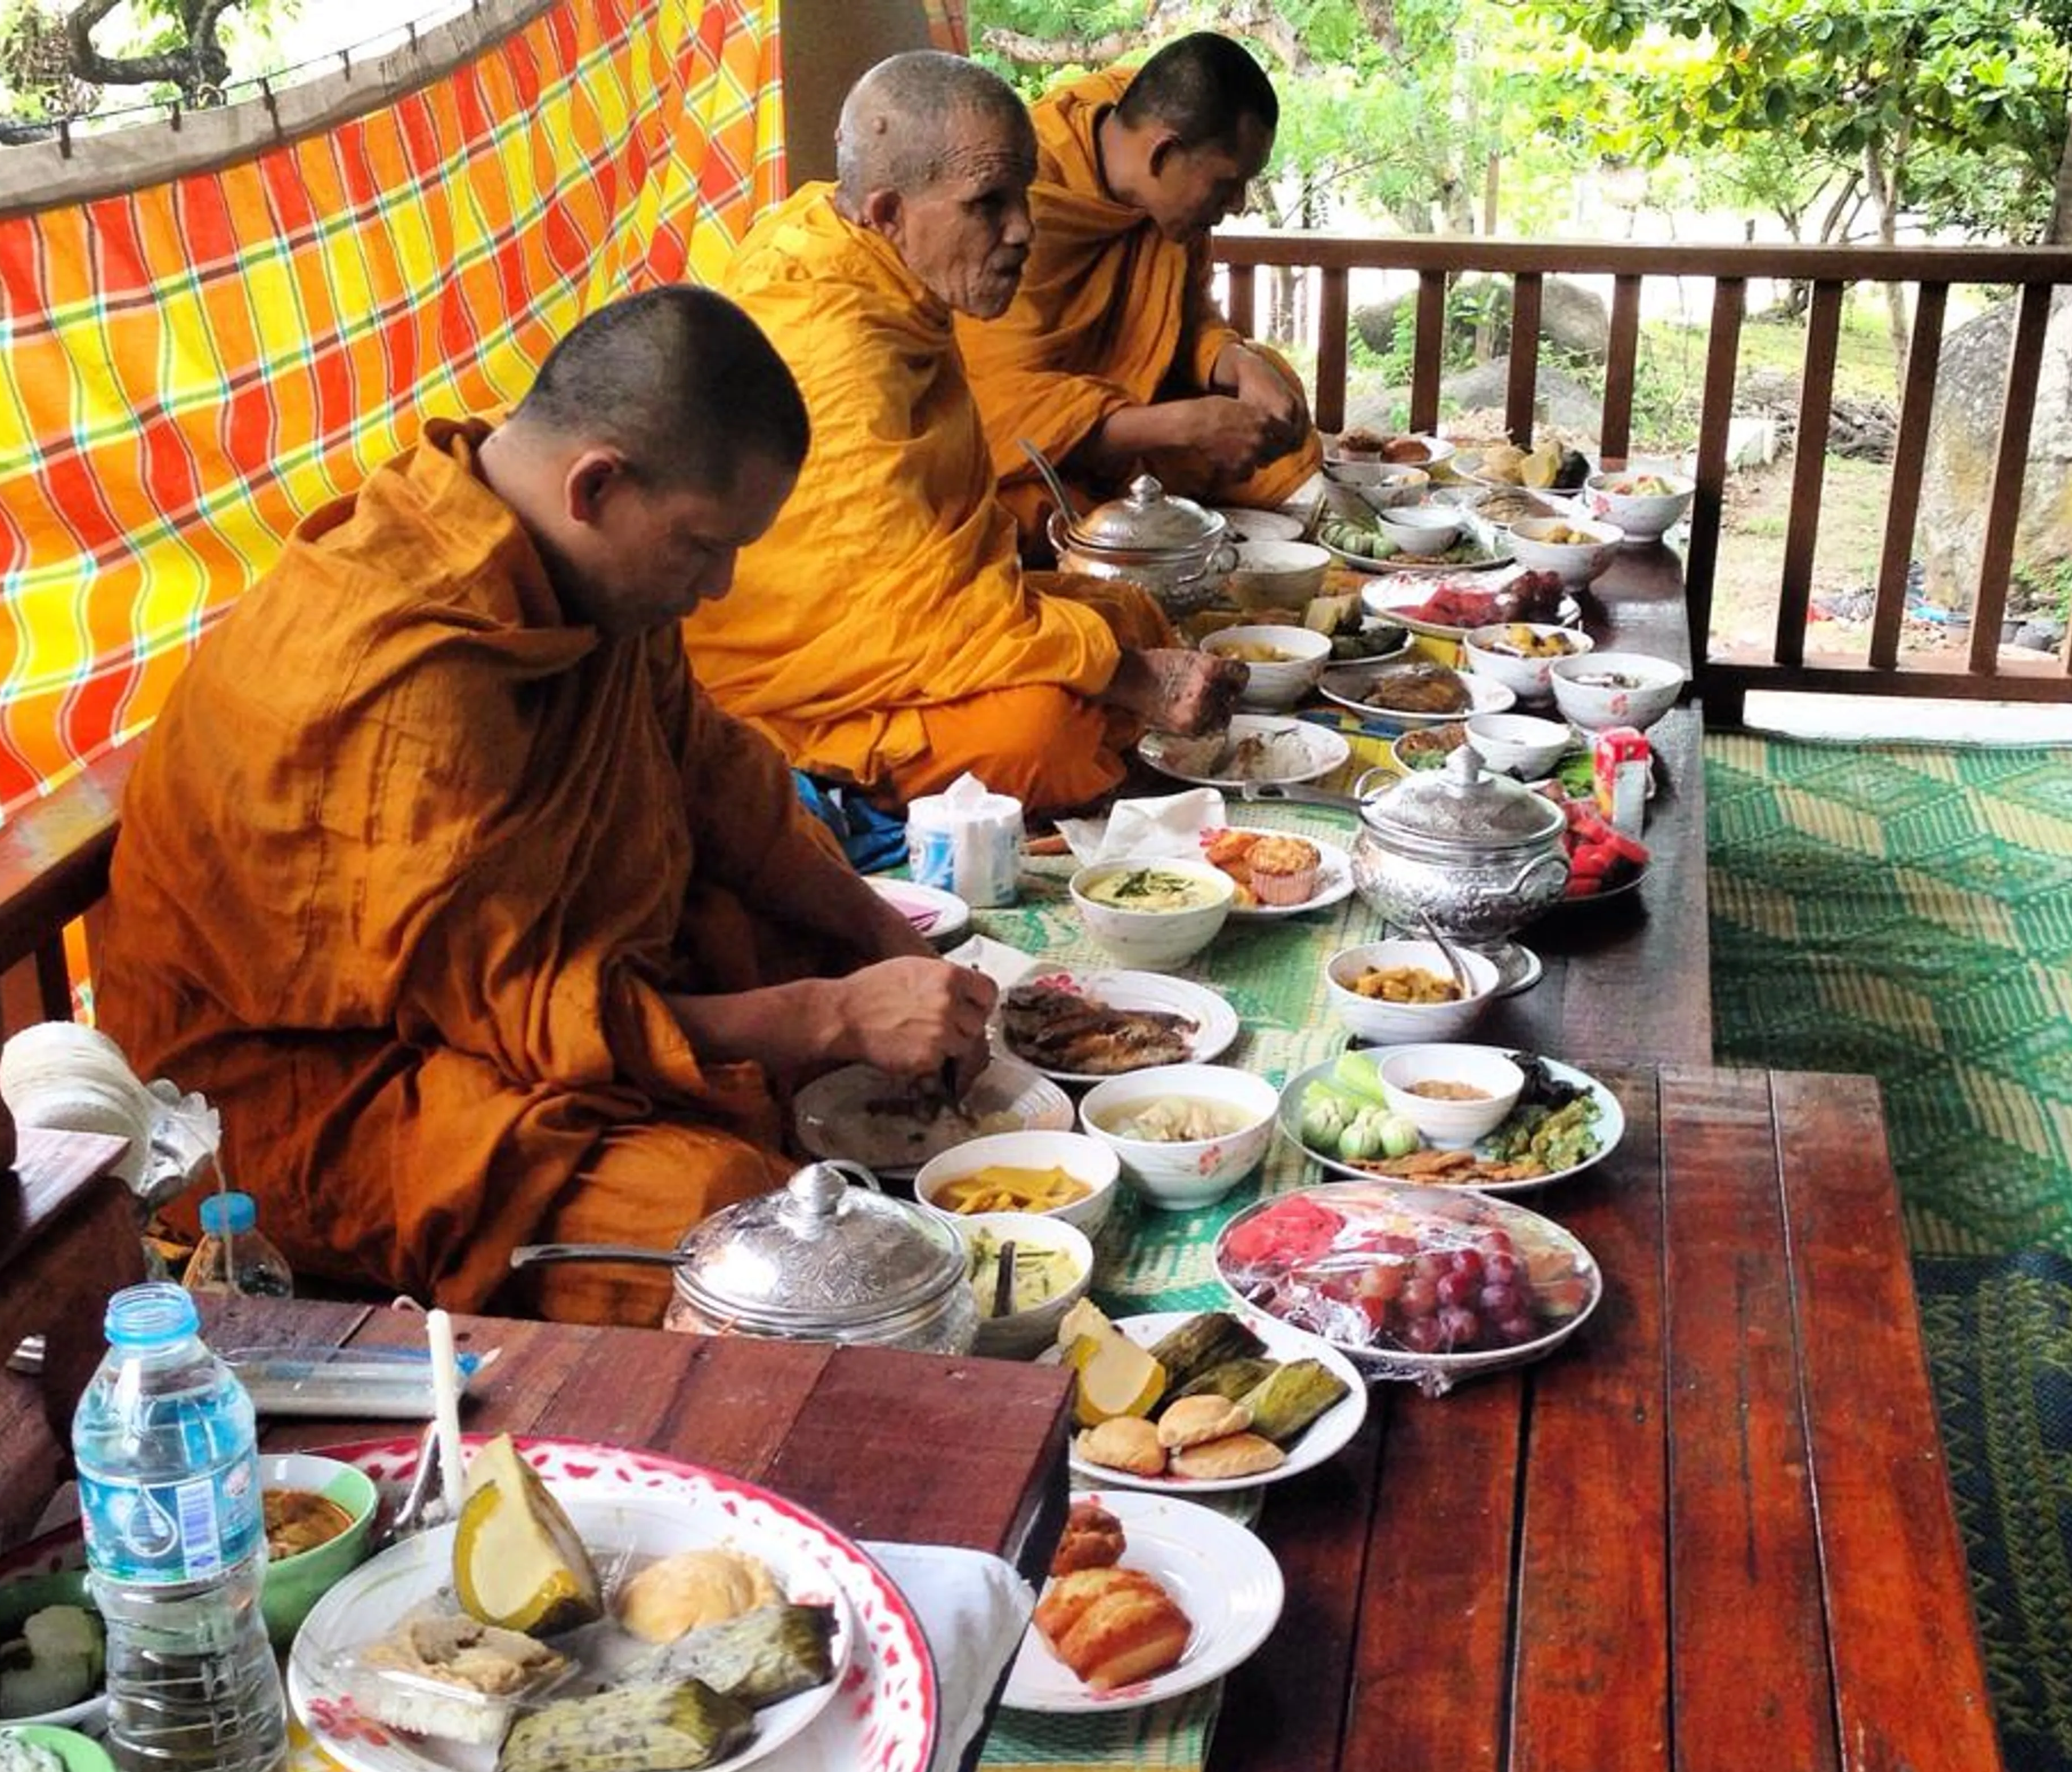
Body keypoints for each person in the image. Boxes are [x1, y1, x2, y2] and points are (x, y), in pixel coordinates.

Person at [97, 287, 997, 1329]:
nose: (720, 585)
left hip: (529, 1002)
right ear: (597, 484)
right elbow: (528, 1010)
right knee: (722, 1217)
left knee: (808, 947)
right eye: (704, 547)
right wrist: (832, 1012)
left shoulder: (585, 574)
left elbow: (715, 780)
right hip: (313, 1087)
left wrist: (881, 935)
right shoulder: (410, 679)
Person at [683, 51, 1242, 817]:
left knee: (1130, 614)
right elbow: (897, 612)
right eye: (988, 204)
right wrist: (1139, 681)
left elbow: (939, 566)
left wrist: (1115, 655)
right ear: (887, 212)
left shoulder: (876, 258)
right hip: (802, 680)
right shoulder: (834, 344)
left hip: (920, 613)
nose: (1023, 230)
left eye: (1024, 195)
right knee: (1046, 730)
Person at [955, 31, 1320, 540]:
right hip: (1044, 449)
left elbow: (1184, 316)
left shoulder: (1155, 163)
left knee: (1274, 395)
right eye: (1227, 183)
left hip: (1132, 422)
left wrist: (1236, 361)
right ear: (1162, 153)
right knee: (1013, 510)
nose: (1239, 204)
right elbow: (998, 408)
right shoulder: (1022, 200)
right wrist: (1188, 425)